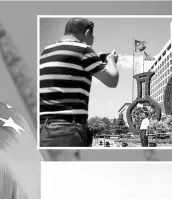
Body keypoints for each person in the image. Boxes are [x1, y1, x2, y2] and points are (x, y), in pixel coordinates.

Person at [39, 18, 119, 147]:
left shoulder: (46, 51)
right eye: (93, 35)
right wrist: (111, 61)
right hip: (68, 129)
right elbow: (112, 80)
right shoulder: (83, 50)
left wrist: (95, 61)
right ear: (87, 33)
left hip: (43, 127)